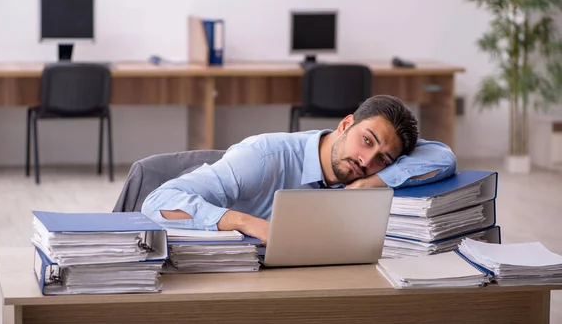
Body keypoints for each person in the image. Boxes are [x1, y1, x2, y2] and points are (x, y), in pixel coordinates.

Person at [141, 95, 456, 242]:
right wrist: (249, 224)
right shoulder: (261, 159)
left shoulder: (370, 173)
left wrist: (371, 184)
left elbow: (443, 157)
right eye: (366, 140)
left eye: (383, 159)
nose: (367, 162)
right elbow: (159, 200)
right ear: (346, 123)